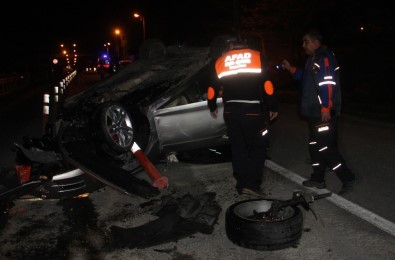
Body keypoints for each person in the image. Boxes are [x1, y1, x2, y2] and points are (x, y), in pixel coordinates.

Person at [281, 29, 355, 195]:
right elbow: (306, 78)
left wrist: (326, 107)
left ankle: (347, 177)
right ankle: (318, 178)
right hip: (313, 112)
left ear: (316, 42)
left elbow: (327, 83)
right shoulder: (312, 59)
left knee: (326, 147)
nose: (303, 45)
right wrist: (291, 69)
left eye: (305, 41)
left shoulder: (324, 57)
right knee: (315, 146)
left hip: (322, 112)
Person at [207, 35, 278, 196]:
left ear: (230, 45)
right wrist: (272, 106)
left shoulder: (220, 60)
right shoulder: (257, 56)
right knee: (258, 147)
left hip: (231, 112)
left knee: (238, 148)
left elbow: (211, 88)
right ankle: (252, 184)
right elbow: (267, 84)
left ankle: (241, 183)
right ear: (244, 44)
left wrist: (212, 106)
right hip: (253, 111)